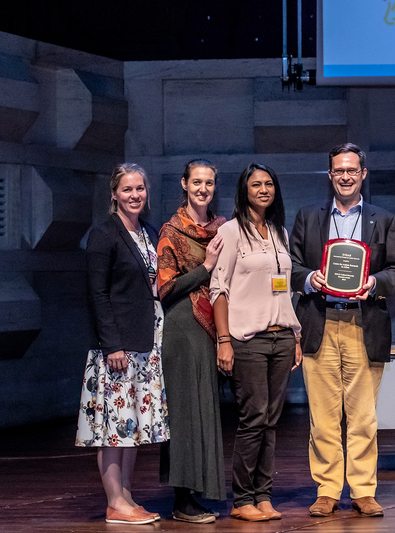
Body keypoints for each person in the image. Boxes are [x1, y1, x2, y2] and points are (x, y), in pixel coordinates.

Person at [289, 143, 395, 518]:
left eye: (352, 170)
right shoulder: (307, 217)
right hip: (320, 321)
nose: (346, 176)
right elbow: (289, 267)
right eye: (339, 170)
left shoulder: (383, 219)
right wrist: (309, 278)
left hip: (363, 322)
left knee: (363, 416)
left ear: (363, 174)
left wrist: (374, 282)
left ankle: (363, 489)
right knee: (322, 416)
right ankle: (326, 489)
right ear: (330, 174)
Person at [76, 163, 168, 525]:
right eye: (127, 189)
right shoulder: (104, 234)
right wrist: (111, 344)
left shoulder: (146, 231)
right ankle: (114, 500)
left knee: (132, 426)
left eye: (140, 189)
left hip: (145, 344)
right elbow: (96, 294)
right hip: (117, 349)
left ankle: (127, 497)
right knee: (114, 429)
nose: (135, 195)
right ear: (113, 193)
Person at [210, 163, 302, 522]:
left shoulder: (279, 231)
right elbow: (219, 289)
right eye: (255, 184)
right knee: (253, 418)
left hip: (281, 337)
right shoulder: (231, 232)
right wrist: (223, 341)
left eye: (268, 184)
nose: (263, 189)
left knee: (271, 421)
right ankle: (242, 499)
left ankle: (263, 496)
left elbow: (281, 289)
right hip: (247, 339)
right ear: (244, 190)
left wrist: (295, 335)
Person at [156, 159, 226, 523]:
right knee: (184, 413)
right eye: (196, 182)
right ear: (184, 184)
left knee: (205, 411)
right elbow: (165, 288)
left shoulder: (222, 227)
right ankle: (182, 500)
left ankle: (200, 491)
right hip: (183, 326)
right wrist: (206, 268)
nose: (202, 188)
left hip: (213, 324)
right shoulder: (171, 231)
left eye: (209, 183)